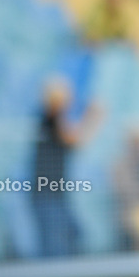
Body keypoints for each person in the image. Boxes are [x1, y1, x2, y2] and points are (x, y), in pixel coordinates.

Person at [30, 77, 103, 257]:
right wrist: (91, 117)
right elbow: (73, 140)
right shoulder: (51, 117)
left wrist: (91, 119)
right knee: (54, 245)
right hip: (45, 192)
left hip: (55, 191)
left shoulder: (54, 119)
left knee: (71, 234)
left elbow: (76, 141)